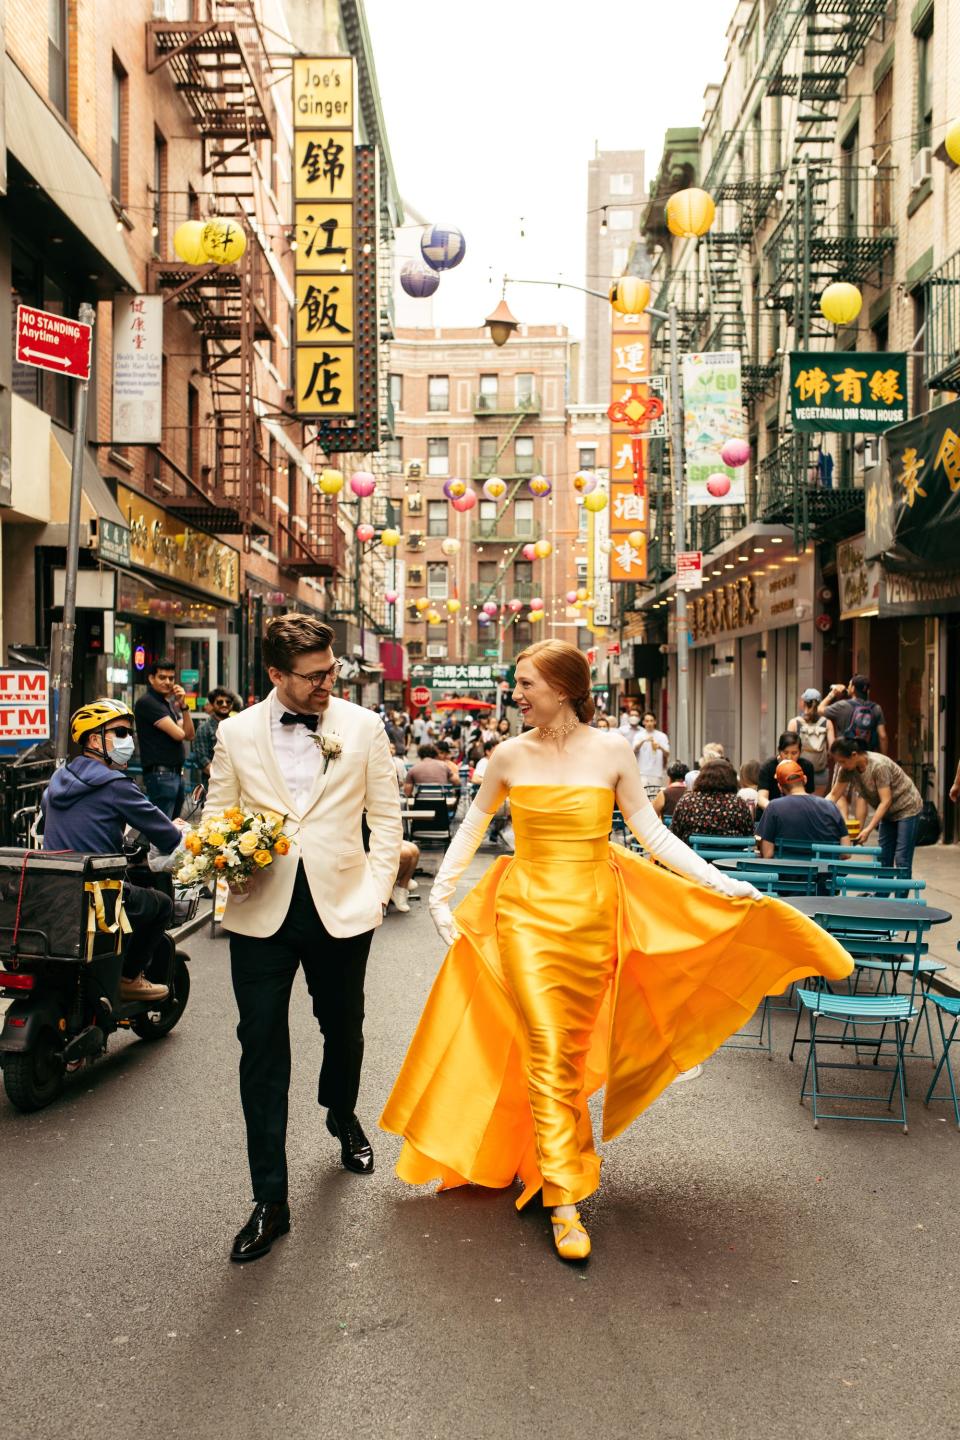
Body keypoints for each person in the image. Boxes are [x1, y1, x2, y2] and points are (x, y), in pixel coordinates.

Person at [381, 641, 852, 1264]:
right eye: (515, 683)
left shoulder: (612, 753)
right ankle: (564, 1197)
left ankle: (546, 1158)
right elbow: (472, 828)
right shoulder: (507, 754)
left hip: (594, 917)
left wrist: (721, 881)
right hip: (523, 915)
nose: (516, 694)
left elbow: (651, 834)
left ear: (564, 688)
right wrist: (442, 898)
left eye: (526, 684)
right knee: (547, 1047)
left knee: (566, 1053)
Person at [203, 614, 402, 1264]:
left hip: (342, 908)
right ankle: (270, 1200)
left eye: (331, 672)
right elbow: (217, 817)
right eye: (314, 677)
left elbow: (387, 817)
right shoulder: (233, 732)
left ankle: (341, 1113)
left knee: (343, 1028)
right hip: (261, 911)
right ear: (276, 674)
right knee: (259, 1047)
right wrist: (225, 865)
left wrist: (374, 893)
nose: (328, 685)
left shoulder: (363, 727)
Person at [41, 699, 183, 1004]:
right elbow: (168, 836)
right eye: (120, 733)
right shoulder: (115, 785)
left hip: (54, 893)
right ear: (94, 740)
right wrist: (177, 829)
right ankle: (129, 978)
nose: (128, 740)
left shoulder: (56, 782)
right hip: (99, 896)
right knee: (160, 905)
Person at [827, 738, 923, 874]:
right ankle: (881, 894)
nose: (841, 765)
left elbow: (886, 800)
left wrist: (868, 829)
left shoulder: (878, 765)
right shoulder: (846, 769)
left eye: (842, 761)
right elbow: (834, 795)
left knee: (902, 858)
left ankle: (901, 895)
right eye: (838, 762)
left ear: (854, 755)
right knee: (883, 857)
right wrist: (816, 808)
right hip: (888, 812)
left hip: (907, 808)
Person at [133, 659, 196, 818]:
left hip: (173, 774)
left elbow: (190, 734)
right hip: (161, 775)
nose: (167, 682)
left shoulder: (166, 704)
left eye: (171, 678)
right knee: (161, 828)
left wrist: (184, 706)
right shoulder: (148, 702)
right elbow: (180, 734)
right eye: (162, 677)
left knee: (170, 827)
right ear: (151, 678)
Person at [758, 759, 849, 857]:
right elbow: (846, 853)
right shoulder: (830, 806)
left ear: (780, 786)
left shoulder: (773, 807)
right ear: (805, 779)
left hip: (787, 871)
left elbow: (768, 854)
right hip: (824, 871)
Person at [669, 759, 756, 847]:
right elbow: (749, 834)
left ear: (701, 777)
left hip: (693, 857)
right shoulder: (739, 804)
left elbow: (675, 833)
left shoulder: (687, 801)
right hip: (730, 859)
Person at [818, 675, 888, 754]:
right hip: (867, 756)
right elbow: (882, 736)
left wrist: (833, 693)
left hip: (846, 757)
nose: (848, 687)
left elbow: (820, 709)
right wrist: (883, 757)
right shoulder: (876, 708)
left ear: (853, 688)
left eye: (849, 685)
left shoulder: (842, 706)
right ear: (867, 691)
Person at [756, 733, 816, 810]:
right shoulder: (767, 767)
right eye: (785, 753)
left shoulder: (807, 766)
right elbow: (761, 799)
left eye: (794, 753)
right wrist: (776, 810)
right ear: (779, 751)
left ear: (800, 752)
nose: (789, 757)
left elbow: (809, 796)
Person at [787, 689, 830, 794]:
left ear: (803, 703)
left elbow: (788, 746)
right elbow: (832, 748)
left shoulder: (795, 723)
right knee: (817, 805)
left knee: (799, 804)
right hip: (820, 772)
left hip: (798, 773)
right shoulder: (827, 723)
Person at [190, 687, 236, 785]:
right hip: (213, 784)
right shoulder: (204, 728)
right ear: (212, 705)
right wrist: (222, 778)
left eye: (228, 702)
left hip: (237, 782)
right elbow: (202, 759)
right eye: (220, 702)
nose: (224, 704)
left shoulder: (238, 725)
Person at [635, 711, 670, 797]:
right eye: (647, 721)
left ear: (655, 722)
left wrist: (660, 747)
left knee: (655, 797)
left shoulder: (662, 736)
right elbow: (634, 750)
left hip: (656, 773)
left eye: (651, 720)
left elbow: (667, 753)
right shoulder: (639, 735)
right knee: (642, 797)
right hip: (642, 772)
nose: (649, 723)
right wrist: (643, 740)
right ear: (643, 722)